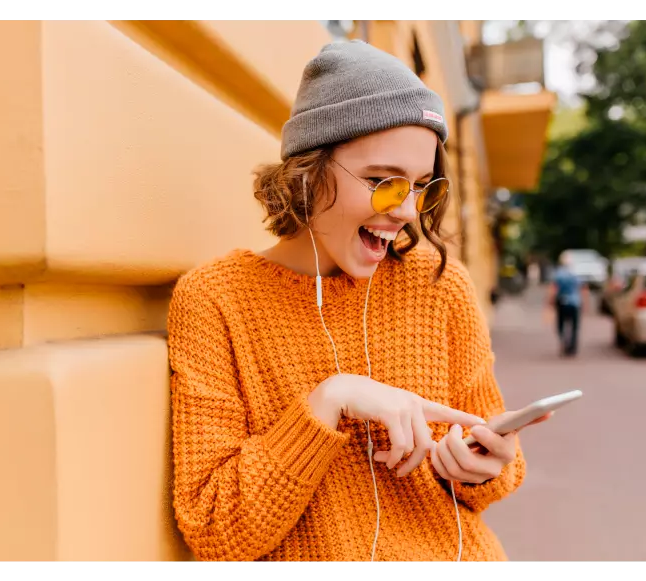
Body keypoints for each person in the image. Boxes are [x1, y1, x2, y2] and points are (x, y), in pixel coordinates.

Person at [166, 40, 549, 564]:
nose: (408, 213)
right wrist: (329, 401)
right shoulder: (216, 300)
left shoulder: (441, 286)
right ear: (309, 170)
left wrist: (489, 463)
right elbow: (215, 527)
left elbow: (491, 476)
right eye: (383, 183)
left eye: (421, 188)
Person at [547, 253, 590, 356]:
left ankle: (563, 341)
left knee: (561, 323)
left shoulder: (558, 273)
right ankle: (572, 347)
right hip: (575, 302)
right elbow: (582, 289)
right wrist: (584, 302)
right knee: (574, 326)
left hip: (562, 301)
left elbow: (554, 288)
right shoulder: (576, 274)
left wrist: (550, 300)